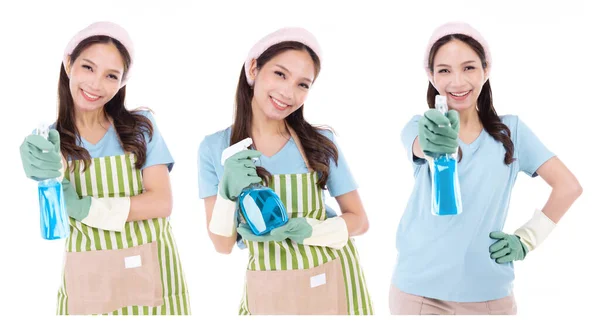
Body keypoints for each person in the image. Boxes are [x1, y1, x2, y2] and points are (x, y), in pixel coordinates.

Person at [390, 22, 582, 315]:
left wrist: (528, 238)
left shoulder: (511, 132)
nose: (457, 81)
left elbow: (568, 186)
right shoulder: (419, 126)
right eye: (444, 70)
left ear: (486, 69)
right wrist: (432, 141)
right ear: (431, 76)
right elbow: (420, 144)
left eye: (468, 68)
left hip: (489, 296)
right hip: (418, 294)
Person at [198, 27, 373, 315]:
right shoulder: (214, 148)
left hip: (332, 279)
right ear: (254, 68)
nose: (288, 92)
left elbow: (360, 221)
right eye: (280, 74)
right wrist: (227, 193)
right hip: (270, 287)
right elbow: (222, 245)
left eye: (303, 84)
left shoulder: (319, 143)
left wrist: (311, 231)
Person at [19, 21, 190, 315]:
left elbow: (162, 202)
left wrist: (88, 209)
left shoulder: (140, 128)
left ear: (122, 82)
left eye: (111, 75)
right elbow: (54, 217)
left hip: (152, 279)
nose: (96, 84)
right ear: (68, 63)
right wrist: (41, 170)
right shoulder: (51, 140)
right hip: (90, 284)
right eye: (88, 67)